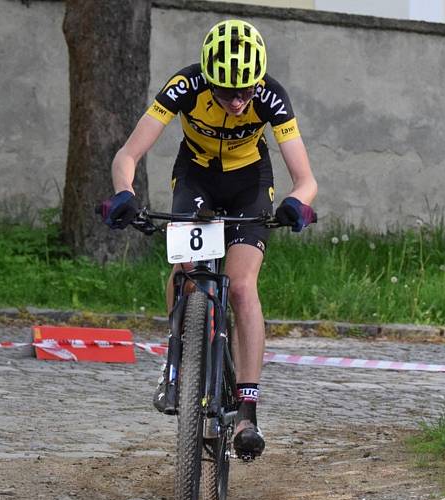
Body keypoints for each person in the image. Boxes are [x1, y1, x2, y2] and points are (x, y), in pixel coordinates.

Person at [100, 19, 318, 460]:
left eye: (246, 92)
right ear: (208, 78)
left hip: (249, 183)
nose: (237, 102)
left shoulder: (272, 95)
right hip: (196, 176)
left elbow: (305, 179)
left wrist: (297, 202)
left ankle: (248, 410)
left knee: (240, 287)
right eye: (225, 92)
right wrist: (124, 192)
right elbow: (128, 153)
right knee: (184, 272)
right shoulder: (184, 85)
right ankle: (176, 362)